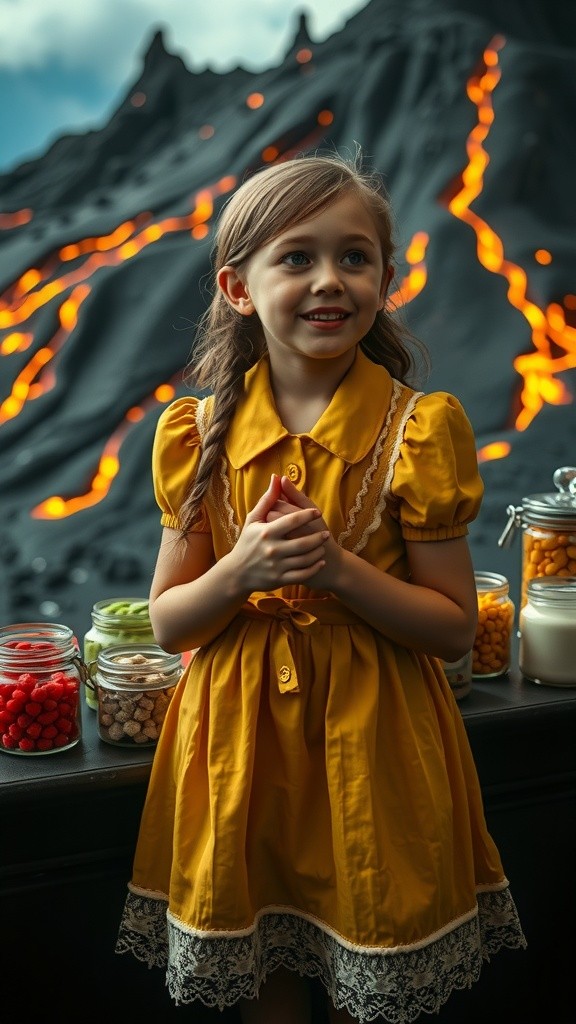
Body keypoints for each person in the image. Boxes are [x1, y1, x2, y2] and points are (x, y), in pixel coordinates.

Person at [116, 152, 525, 1023]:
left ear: (383, 277)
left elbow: (454, 627)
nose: (328, 279)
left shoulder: (420, 429)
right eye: (296, 257)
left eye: (354, 256)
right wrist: (243, 571)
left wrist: (338, 570)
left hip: (372, 744)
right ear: (237, 288)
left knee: (367, 964)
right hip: (236, 753)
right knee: (262, 976)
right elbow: (168, 622)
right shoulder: (195, 436)